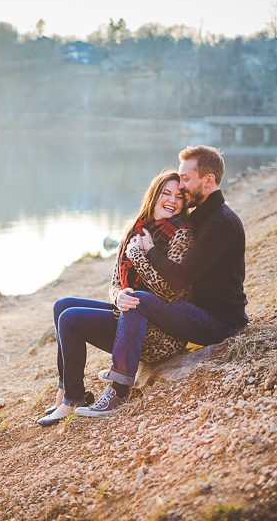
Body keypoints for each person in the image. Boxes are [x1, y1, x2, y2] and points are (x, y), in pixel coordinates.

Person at [75, 145, 248, 417]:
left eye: (186, 180)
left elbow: (179, 277)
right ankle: (80, 390)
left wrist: (148, 250)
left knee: (139, 301)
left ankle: (120, 390)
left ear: (209, 180)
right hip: (195, 312)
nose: (182, 186)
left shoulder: (220, 222)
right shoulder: (199, 217)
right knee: (73, 307)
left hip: (218, 323)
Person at [38, 170, 195, 426]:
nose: (172, 200)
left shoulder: (182, 233)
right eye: (166, 193)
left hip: (159, 333)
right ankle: (64, 393)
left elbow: (169, 291)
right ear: (154, 195)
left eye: (179, 196)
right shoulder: (137, 228)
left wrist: (139, 255)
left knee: (70, 319)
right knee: (62, 305)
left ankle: (73, 401)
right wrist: (118, 296)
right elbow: (114, 282)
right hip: (130, 315)